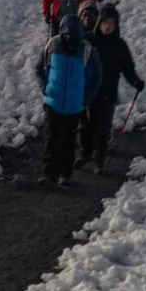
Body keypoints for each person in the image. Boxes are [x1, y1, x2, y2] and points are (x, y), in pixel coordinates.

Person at [81, 6, 146, 172]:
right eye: (104, 22)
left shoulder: (119, 45)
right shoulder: (89, 40)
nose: (108, 26)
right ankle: (85, 153)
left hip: (107, 92)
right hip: (87, 92)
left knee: (103, 128)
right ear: (99, 23)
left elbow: (127, 68)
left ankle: (99, 160)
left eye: (112, 23)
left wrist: (135, 81)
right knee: (86, 126)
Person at [37, 23, 100, 187]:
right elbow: (39, 68)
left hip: (74, 106)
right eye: (66, 34)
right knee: (52, 138)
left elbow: (96, 76)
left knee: (69, 140)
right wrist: (45, 88)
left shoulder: (86, 50)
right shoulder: (53, 45)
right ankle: (49, 173)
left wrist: (86, 99)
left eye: (72, 35)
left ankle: (65, 173)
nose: (69, 38)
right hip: (53, 102)